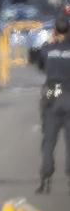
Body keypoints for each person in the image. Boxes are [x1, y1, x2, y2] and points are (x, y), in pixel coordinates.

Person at [36, 18, 70, 193]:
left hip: (52, 91)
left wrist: (49, 42)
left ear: (55, 31)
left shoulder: (47, 48)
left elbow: (39, 63)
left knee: (49, 138)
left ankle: (45, 178)